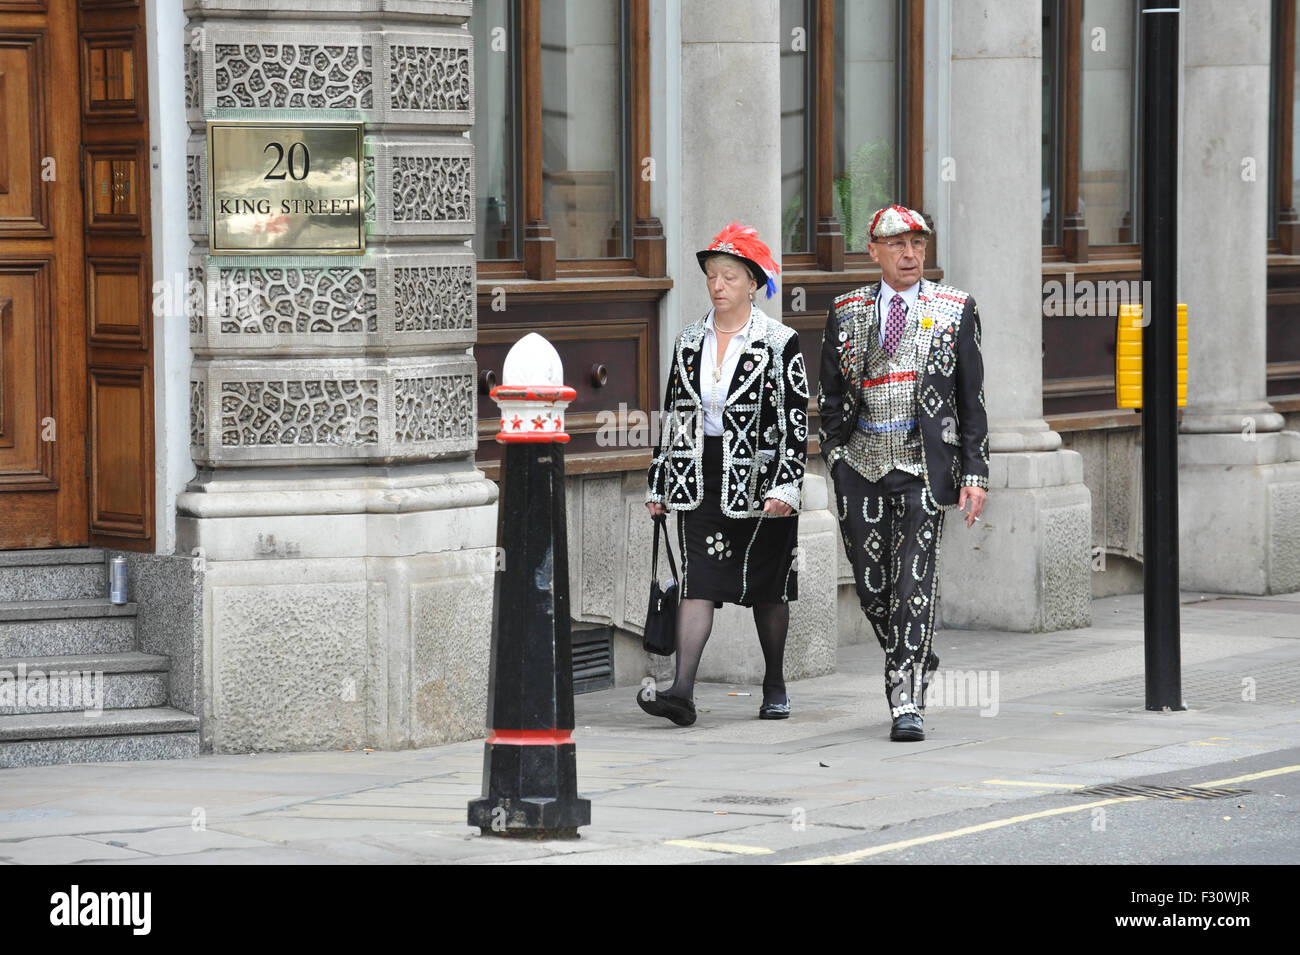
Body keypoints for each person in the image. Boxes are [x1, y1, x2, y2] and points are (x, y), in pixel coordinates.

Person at [816, 204, 988, 742]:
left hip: (923, 466)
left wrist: (975, 473)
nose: (910, 253)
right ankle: (914, 649)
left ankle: (905, 695)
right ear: (874, 252)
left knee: (916, 577)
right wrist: (835, 457)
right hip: (860, 464)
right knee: (873, 587)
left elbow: (972, 399)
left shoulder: (956, 308)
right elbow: (828, 395)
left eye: (917, 243)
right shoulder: (844, 312)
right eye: (897, 244)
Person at [640, 222, 809, 726]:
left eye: (729, 276)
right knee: (697, 581)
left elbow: (795, 423)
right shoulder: (689, 340)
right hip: (700, 476)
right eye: (713, 276)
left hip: (760, 480)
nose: (718, 285)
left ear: (752, 283)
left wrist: (786, 484)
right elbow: (674, 415)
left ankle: (774, 682)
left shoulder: (780, 342)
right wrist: (660, 481)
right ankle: (683, 691)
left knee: (767, 586)